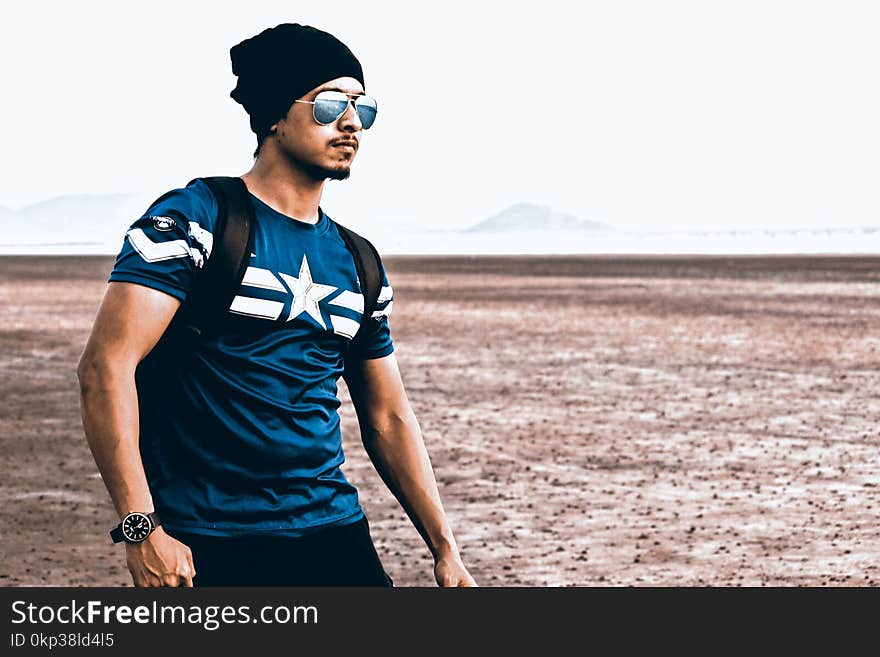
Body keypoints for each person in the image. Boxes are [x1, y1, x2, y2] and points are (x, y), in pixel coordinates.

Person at [76, 23, 476, 587]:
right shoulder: (196, 220)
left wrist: (444, 548)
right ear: (272, 115)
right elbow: (104, 368)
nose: (351, 123)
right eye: (329, 104)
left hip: (332, 531)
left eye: (363, 108)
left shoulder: (358, 260)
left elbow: (387, 416)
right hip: (208, 540)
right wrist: (142, 528)